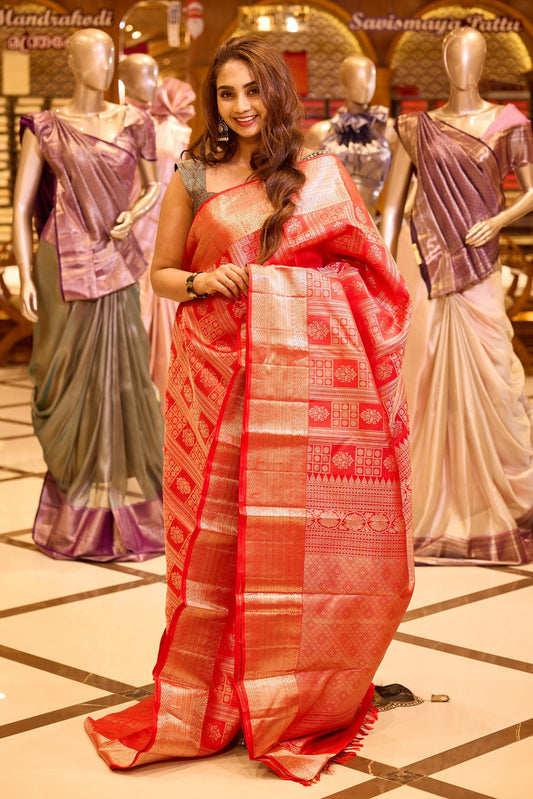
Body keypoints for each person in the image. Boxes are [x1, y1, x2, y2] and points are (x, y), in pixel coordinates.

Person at [85, 35, 413, 784]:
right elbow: (163, 273)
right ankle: (223, 692)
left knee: (296, 545)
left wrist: (285, 292)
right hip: (219, 385)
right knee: (222, 541)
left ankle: (295, 689)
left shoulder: (317, 176)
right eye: (226, 94)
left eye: (252, 92)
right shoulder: (195, 174)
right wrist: (206, 286)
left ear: (276, 93)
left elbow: (372, 282)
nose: (239, 108)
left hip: (302, 401)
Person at [381, 26, 533, 564]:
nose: (463, 64)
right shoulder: (415, 128)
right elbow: (393, 207)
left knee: (494, 376)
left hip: (481, 266)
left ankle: (500, 500)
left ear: (485, 60)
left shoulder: (510, 123)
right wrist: (381, 266)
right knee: (430, 378)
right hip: (430, 266)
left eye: (472, 54)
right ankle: (442, 501)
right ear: (444, 63)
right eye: (455, 55)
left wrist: (499, 220)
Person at [12, 29, 165, 561]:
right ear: (75, 65)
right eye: (96, 57)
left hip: (116, 261)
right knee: (62, 373)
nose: (106, 66)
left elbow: (153, 186)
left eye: (109, 56)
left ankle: (119, 503)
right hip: (61, 262)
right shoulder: (48, 128)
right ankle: (75, 496)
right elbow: (21, 207)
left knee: (124, 376)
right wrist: (26, 276)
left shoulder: (134, 123)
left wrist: (137, 213)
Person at [120, 54, 196, 398]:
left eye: (155, 74)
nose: (152, 82)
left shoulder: (177, 129)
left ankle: (160, 384)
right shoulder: (117, 121)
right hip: (126, 222)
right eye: (143, 75)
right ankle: (128, 383)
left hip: (164, 218)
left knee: (160, 283)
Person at [305, 55, 394, 217]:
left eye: (370, 79)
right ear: (344, 82)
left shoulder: (389, 130)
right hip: (333, 223)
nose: (365, 86)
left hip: (376, 222)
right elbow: (303, 188)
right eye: (358, 79)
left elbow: (408, 182)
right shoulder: (321, 132)